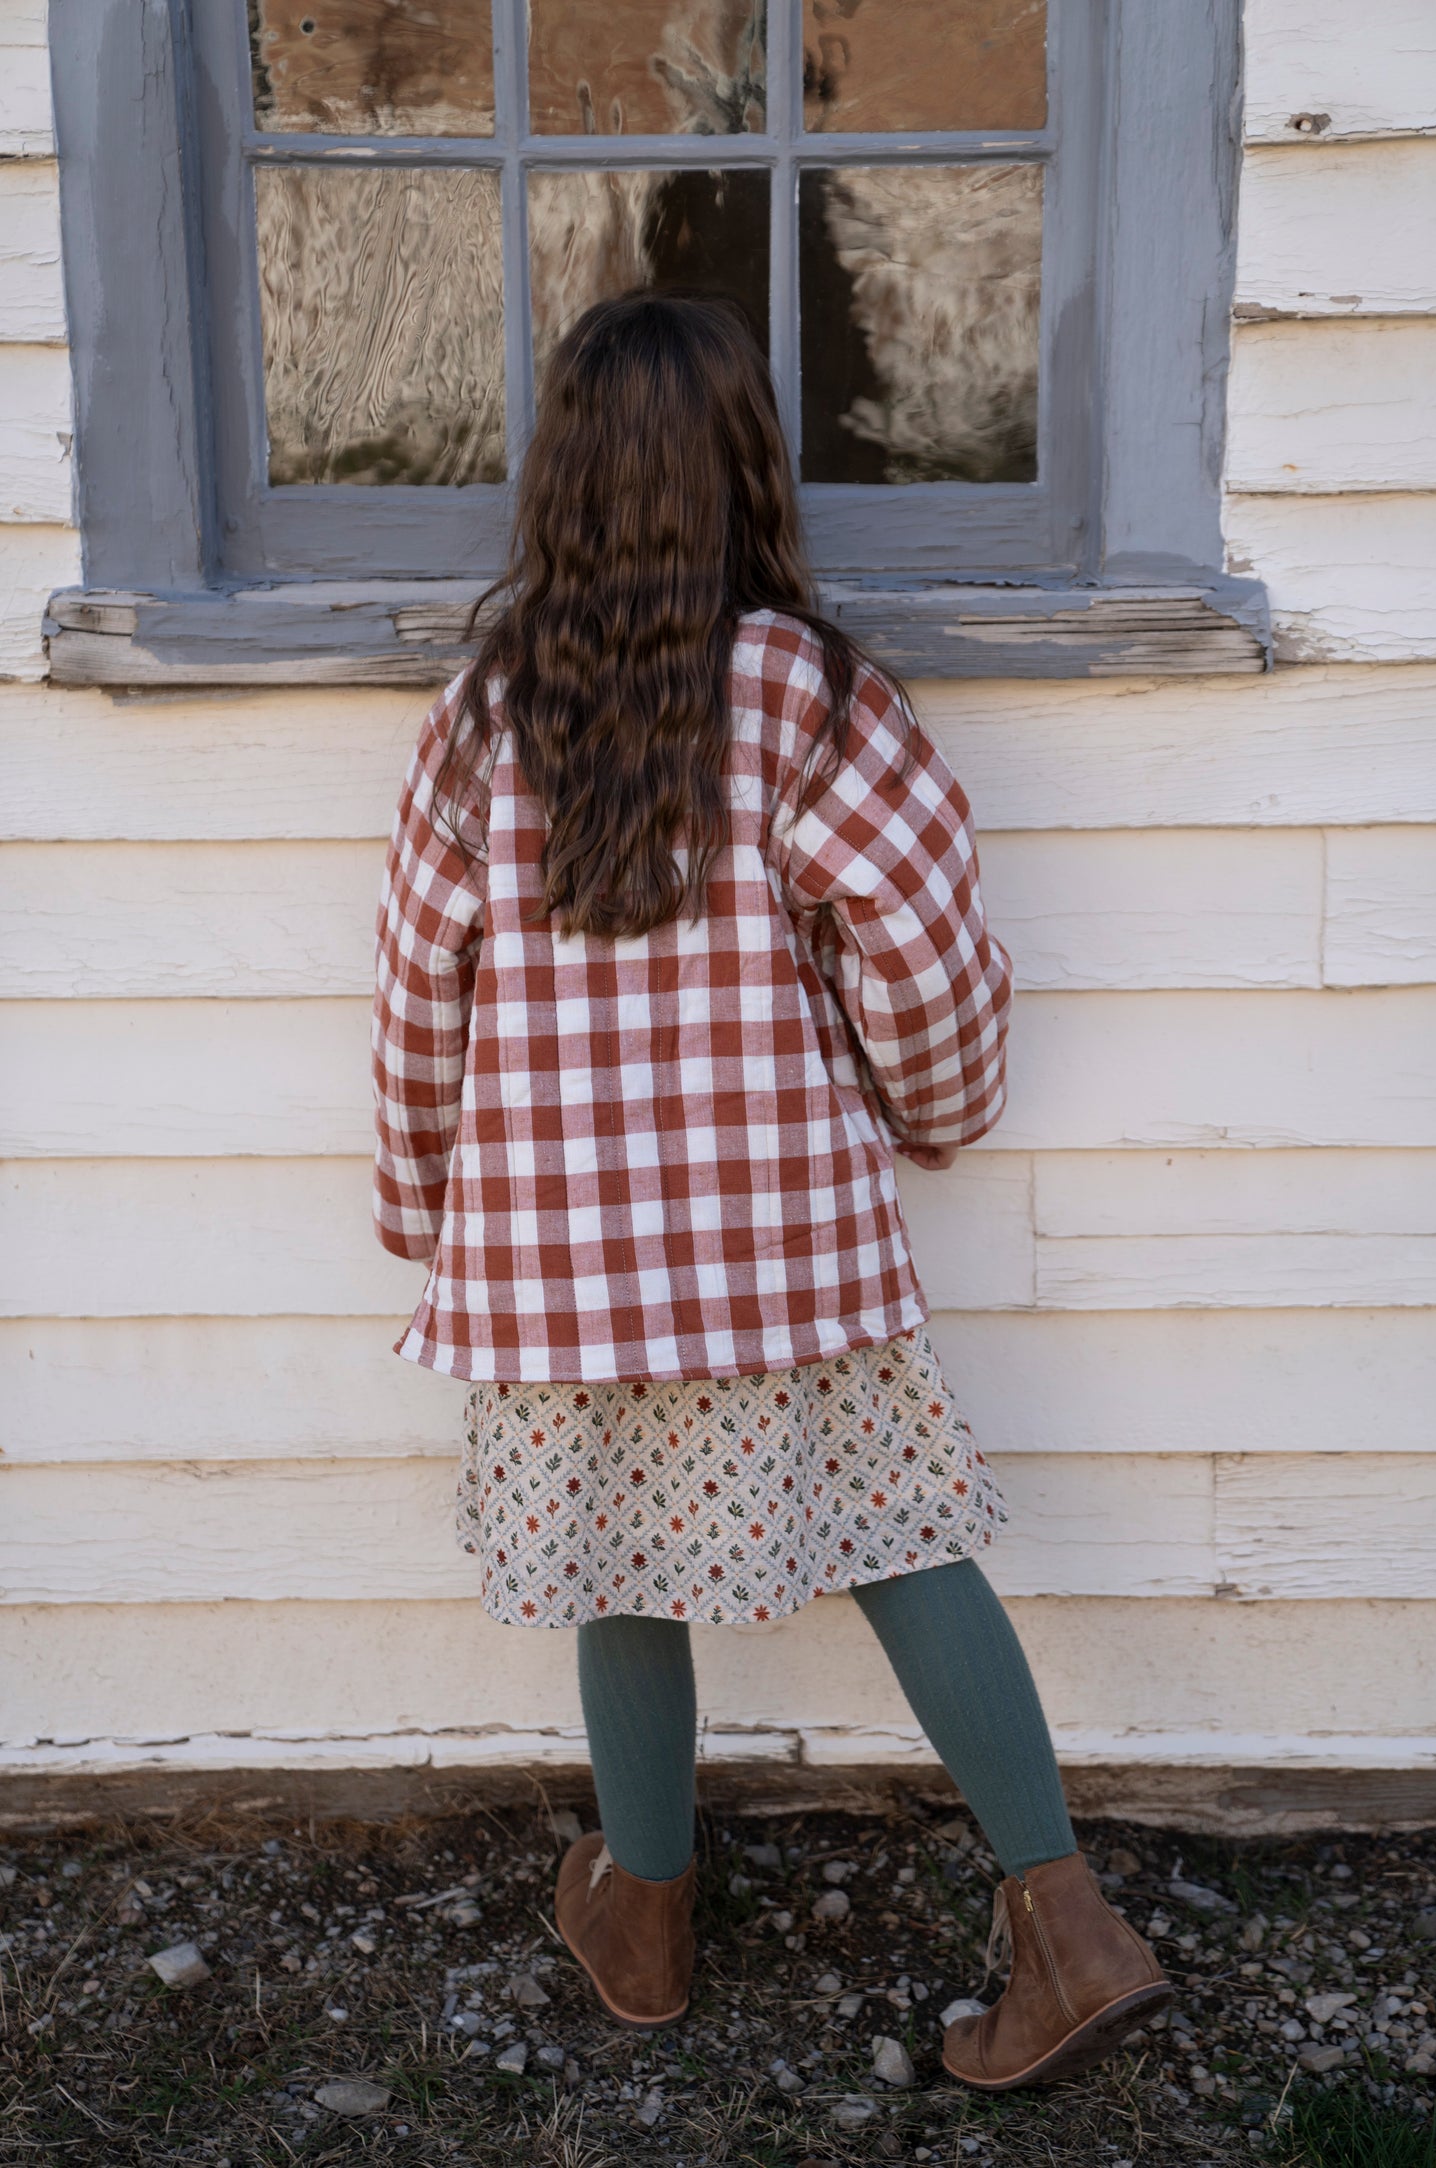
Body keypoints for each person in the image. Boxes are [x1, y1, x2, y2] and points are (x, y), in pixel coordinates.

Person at [371, 290, 1169, 2090]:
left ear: (559, 478)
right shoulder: (812, 699)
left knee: (606, 1559)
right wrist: (936, 1114)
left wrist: (424, 1205)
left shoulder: (487, 712)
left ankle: (641, 1915)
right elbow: (929, 954)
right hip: (783, 1245)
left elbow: (423, 986)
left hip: (559, 1256)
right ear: (749, 468)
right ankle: (1062, 1922)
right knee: (902, 1534)